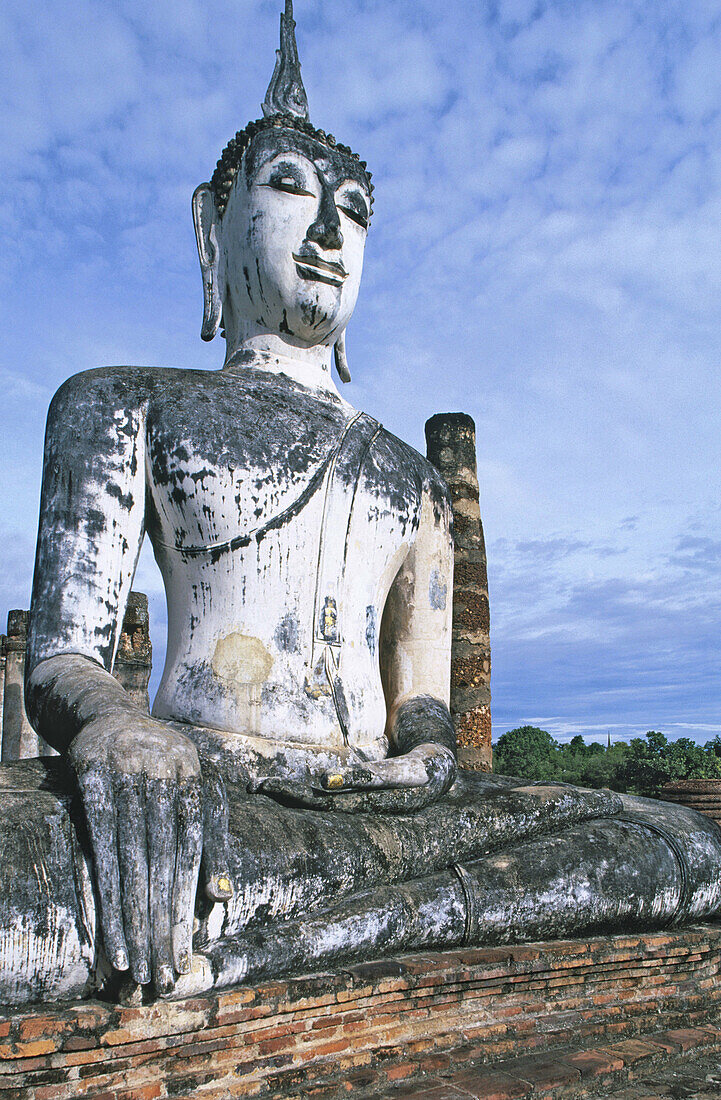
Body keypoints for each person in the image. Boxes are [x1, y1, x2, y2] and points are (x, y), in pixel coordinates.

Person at [3, 1, 720, 1007]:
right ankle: (329, 924)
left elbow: (419, 700)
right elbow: (63, 659)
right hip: (208, 791)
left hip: (377, 813)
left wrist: (426, 750)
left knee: (677, 845)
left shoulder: (412, 481)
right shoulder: (120, 404)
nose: (332, 231)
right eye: (292, 189)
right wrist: (115, 728)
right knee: (31, 890)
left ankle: (307, 938)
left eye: (355, 208)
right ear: (215, 223)